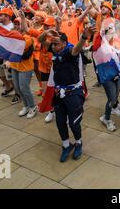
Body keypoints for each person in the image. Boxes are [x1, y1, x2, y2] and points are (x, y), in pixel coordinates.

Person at [39, 26, 94, 162]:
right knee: (60, 122)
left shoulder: (69, 52)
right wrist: (47, 33)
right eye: (53, 44)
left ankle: (78, 143)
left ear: (64, 43)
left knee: (74, 123)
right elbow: (40, 40)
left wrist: (84, 37)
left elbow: (76, 49)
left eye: (57, 43)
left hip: (73, 94)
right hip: (59, 95)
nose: (53, 46)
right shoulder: (55, 50)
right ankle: (66, 145)